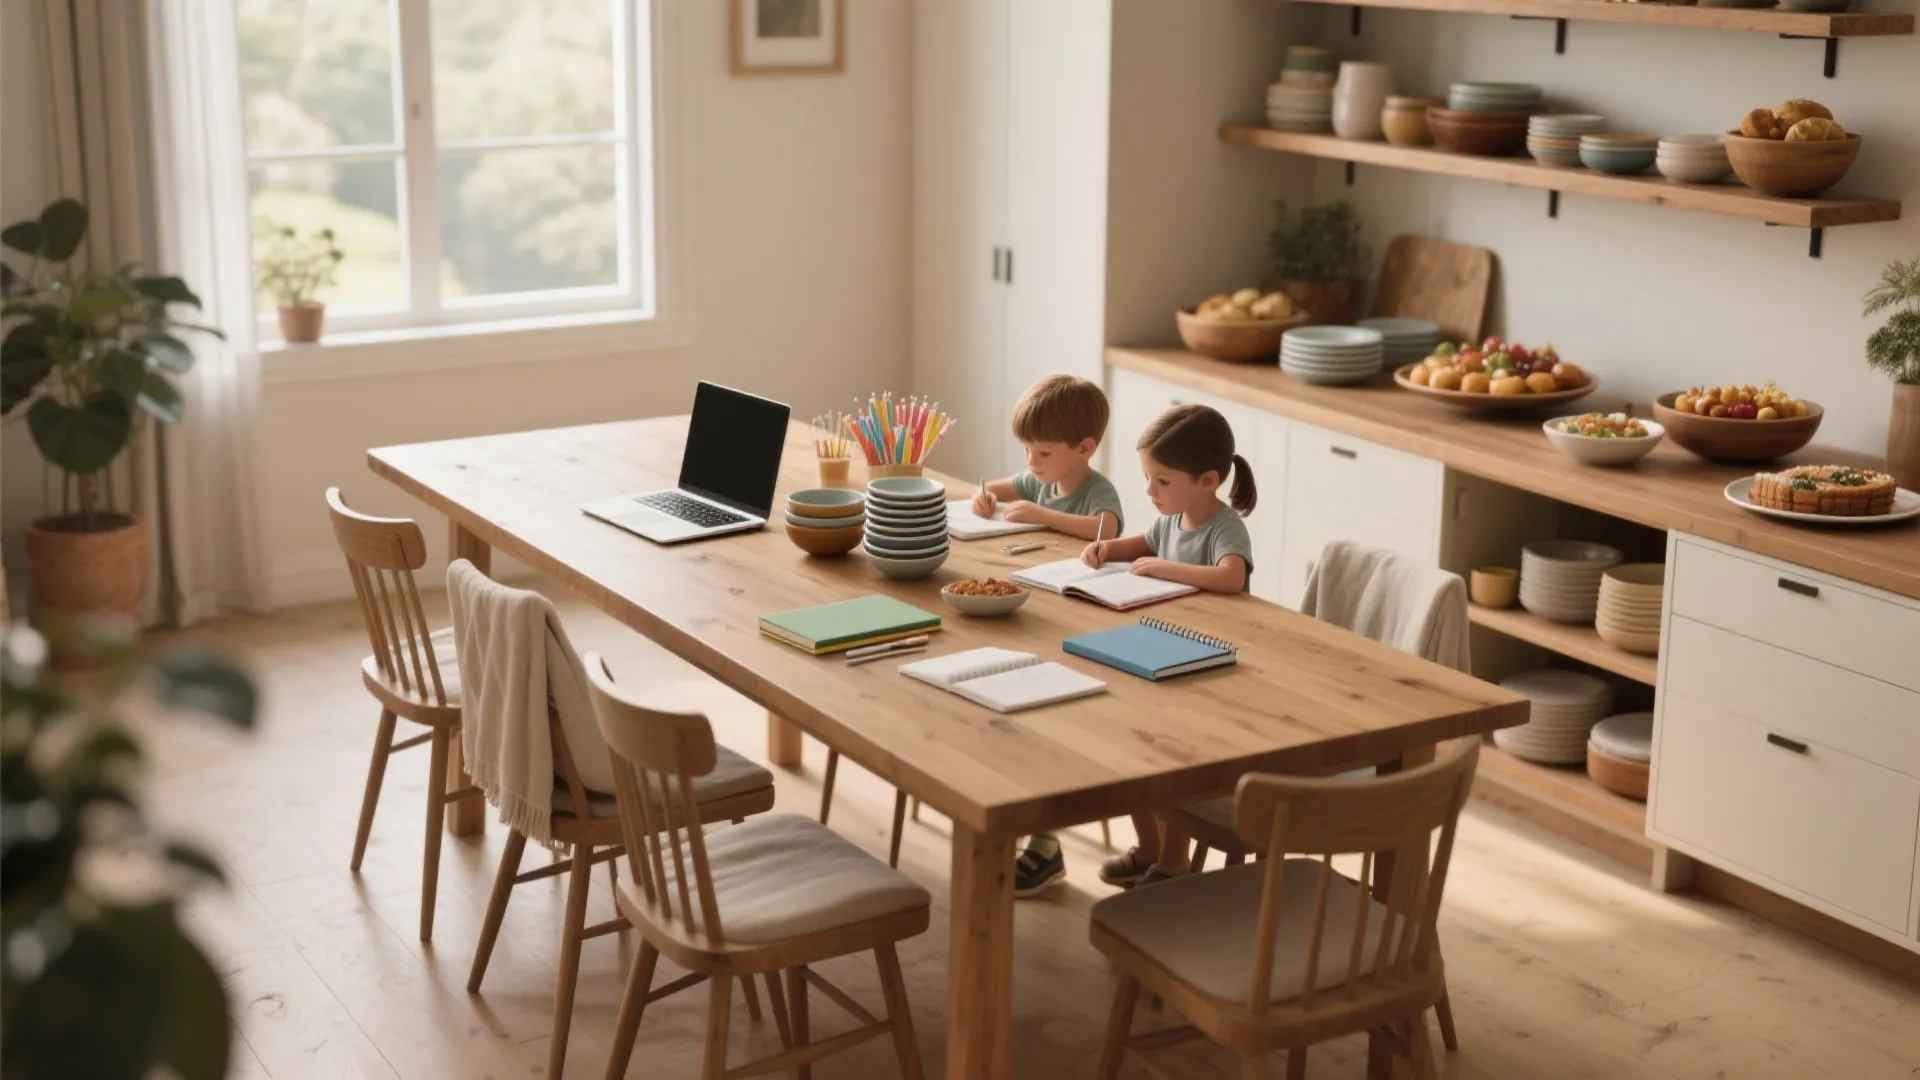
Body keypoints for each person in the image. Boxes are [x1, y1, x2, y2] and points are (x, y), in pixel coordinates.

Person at [1083, 403, 1257, 887]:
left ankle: (1174, 862)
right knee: (1131, 749)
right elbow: (1143, 541)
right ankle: (1150, 848)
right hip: (1164, 652)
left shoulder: (1224, 526)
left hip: (1209, 662)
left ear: (1207, 479)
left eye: (1162, 481)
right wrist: (1107, 549)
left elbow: (1230, 576)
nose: (1149, 491)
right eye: (1147, 478)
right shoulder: (1172, 520)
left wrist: (1164, 567)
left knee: (1169, 760)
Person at [977, 374, 1125, 898]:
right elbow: (1001, 487)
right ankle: (1029, 830)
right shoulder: (1040, 477)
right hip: (1040, 602)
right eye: (1027, 449)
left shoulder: (1095, 491)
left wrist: (1042, 515)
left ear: (1084, 449)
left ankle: (1042, 839)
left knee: (1046, 716)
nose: (1032, 462)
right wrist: (984, 495)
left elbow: (1106, 529)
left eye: (1042, 451)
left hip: (1085, 616)